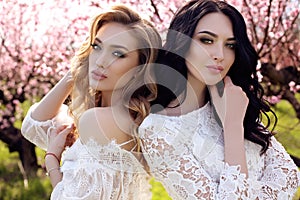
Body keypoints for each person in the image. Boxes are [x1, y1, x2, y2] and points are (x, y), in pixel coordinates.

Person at [139, 0, 300, 199]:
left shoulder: (234, 104)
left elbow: (290, 175)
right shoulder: (158, 130)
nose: (220, 55)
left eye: (230, 45)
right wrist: (232, 126)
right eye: (207, 40)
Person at [21, 5, 161, 199]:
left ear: (139, 68)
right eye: (97, 46)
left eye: (118, 54)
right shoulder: (126, 118)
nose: (100, 61)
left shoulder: (98, 120)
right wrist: (77, 70)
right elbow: (32, 125)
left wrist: (52, 160)